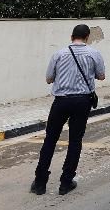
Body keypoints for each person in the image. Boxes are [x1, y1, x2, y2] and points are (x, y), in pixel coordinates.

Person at [30, 24, 105, 196]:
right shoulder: (94, 54)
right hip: (82, 101)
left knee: (50, 140)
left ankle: (40, 182)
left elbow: (49, 79)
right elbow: (101, 76)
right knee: (75, 140)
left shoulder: (59, 54)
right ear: (87, 37)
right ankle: (66, 182)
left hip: (61, 101)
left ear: (72, 36)